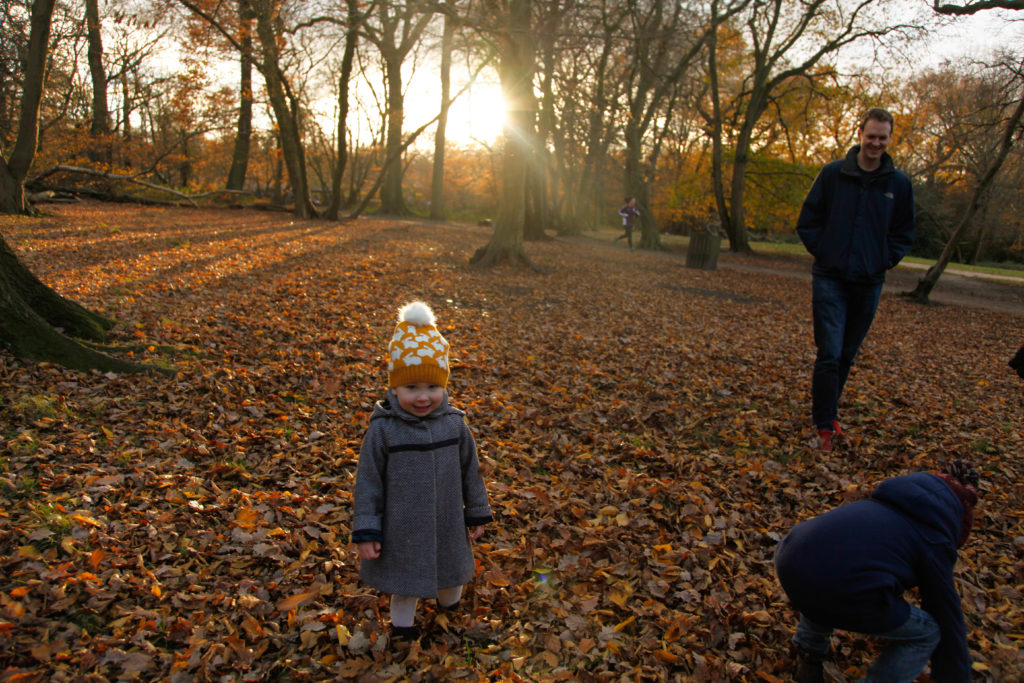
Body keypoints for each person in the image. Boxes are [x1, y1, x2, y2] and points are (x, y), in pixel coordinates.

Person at [351, 301, 492, 643]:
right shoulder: (384, 431)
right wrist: (367, 530)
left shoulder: (455, 427)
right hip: (402, 526)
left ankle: (450, 615)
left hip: (446, 520)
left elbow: (470, 472)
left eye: (431, 387)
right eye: (411, 388)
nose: (423, 397)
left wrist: (475, 513)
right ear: (394, 388)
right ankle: (403, 632)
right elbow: (368, 481)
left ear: (444, 385)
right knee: (404, 583)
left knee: (452, 573)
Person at [774, 460, 980, 683]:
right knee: (927, 632)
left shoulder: (888, 502)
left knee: (828, 568)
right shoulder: (935, 537)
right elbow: (945, 613)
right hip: (835, 584)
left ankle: (808, 654)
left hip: (790, 555)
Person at [796, 107, 916, 451]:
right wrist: (826, 252)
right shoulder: (833, 174)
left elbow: (904, 232)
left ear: (889, 139)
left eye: (882, 137)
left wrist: (886, 259)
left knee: (847, 353)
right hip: (830, 277)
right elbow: (808, 220)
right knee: (830, 351)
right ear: (860, 133)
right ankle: (824, 423)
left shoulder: (899, 184)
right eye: (871, 136)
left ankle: (829, 413)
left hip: (869, 281)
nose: (875, 143)